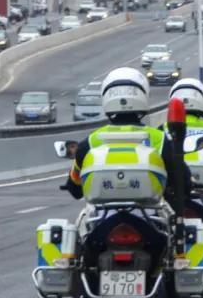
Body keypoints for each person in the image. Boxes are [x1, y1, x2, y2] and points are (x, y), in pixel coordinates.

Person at [62, 68, 190, 214]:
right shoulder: (160, 140)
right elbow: (182, 183)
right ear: (144, 95)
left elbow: (75, 189)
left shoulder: (90, 143)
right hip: (150, 221)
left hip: (101, 223)